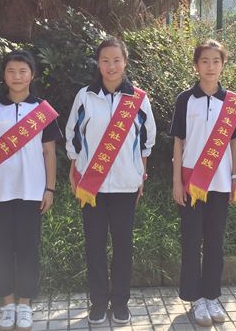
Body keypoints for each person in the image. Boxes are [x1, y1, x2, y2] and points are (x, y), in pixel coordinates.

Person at [66, 36, 156, 325]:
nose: (111, 66)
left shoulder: (138, 99)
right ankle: (98, 302)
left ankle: (119, 302)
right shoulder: (85, 96)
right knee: (94, 246)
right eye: (105, 60)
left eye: (116, 60)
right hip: (91, 186)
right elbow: (73, 136)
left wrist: (140, 175)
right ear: (98, 63)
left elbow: (146, 142)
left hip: (125, 185)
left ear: (125, 62)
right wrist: (74, 170)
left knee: (122, 246)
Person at [0, 50, 62, 331]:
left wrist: (50, 188)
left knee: (28, 249)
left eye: (23, 71)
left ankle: (25, 304)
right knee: (0, 249)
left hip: (32, 191)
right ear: (4, 75)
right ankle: (7, 304)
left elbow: (49, 152)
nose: (17, 76)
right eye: (11, 71)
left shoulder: (42, 109)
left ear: (32, 75)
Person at [169, 40, 236, 327]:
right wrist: (177, 182)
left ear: (223, 65)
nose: (210, 67)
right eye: (205, 61)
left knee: (215, 243)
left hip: (221, 183)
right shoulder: (185, 99)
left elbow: (235, 145)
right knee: (191, 241)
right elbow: (178, 143)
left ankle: (212, 296)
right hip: (191, 182)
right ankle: (195, 298)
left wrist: (235, 180)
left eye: (216, 61)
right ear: (196, 65)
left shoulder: (232, 103)